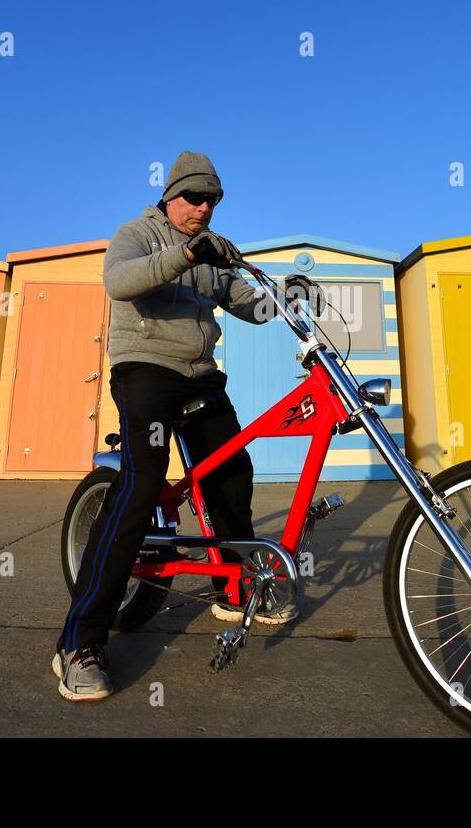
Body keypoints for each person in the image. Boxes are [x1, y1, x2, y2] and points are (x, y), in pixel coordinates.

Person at [53, 150, 295, 703]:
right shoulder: (137, 233)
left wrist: (284, 297)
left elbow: (245, 305)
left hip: (201, 377)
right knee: (139, 488)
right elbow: (119, 282)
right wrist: (186, 253)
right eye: (194, 197)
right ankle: (79, 642)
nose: (204, 208)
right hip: (146, 371)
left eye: (212, 200)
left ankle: (231, 590)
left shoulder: (215, 253)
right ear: (171, 196)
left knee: (231, 474)